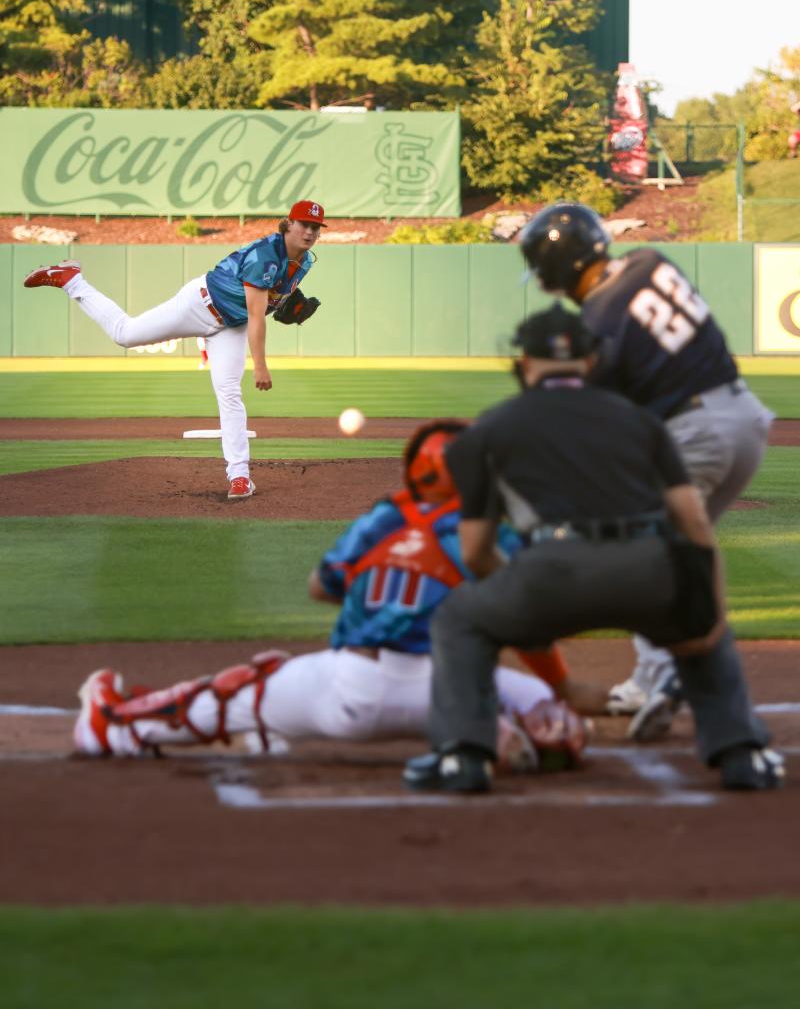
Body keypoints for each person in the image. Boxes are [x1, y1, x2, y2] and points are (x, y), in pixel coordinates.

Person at [403, 304, 784, 795]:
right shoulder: (642, 419)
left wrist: (520, 601)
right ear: (590, 361)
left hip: (549, 573)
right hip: (650, 570)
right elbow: (692, 521)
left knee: (459, 621)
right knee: (700, 623)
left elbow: (475, 552)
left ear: (524, 363)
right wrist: (708, 609)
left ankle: (463, 758)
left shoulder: (489, 429)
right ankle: (745, 753)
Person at [73, 421, 589, 771]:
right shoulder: (492, 530)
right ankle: (525, 726)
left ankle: (115, 728)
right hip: (452, 689)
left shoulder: (388, 515)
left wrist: (391, 584)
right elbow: (528, 622)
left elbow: (321, 587)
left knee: (250, 685)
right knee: (531, 694)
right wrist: (559, 688)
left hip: (356, 688)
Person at [517, 201, 775, 742]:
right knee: (673, 546)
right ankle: (652, 675)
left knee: (642, 549)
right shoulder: (652, 260)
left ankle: (666, 677)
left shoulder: (596, 323)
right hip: (746, 422)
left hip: (696, 433)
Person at [23, 200, 327, 499]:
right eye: (304, 224)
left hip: (230, 327)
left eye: (316, 227)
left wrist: (285, 302)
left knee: (230, 393)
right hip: (199, 304)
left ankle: (240, 477)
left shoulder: (307, 261)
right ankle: (72, 280)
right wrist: (260, 365)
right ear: (289, 224)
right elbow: (256, 313)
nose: (310, 232)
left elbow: (271, 297)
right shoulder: (265, 255)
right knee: (125, 334)